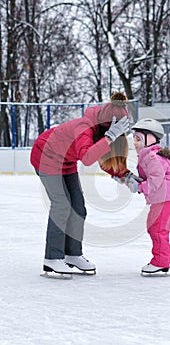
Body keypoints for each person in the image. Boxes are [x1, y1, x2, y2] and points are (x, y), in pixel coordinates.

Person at [30, 92, 129, 276]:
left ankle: (72, 254)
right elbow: (87, 157)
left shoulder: (104, 131)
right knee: (62, 205)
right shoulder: (85, 128)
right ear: (106, 126)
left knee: (78, 207)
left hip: (66, 162)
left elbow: (103, 157)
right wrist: (109, 138)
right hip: (46, 155)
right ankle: (52, 258)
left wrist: (124, 176)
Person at [126, 118, 170, 275]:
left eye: (138, 139)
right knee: (155, 228)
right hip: (163, 198)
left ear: (150, 138)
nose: (134, 143)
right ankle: (166, 256)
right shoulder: (150, 155)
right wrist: (135, 180)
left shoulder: (152, 157)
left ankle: (160, 261)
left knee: (157, 229)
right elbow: (153, 176)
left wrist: (140, 187)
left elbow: (156, 179)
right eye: (134, 138)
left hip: (164, 198)